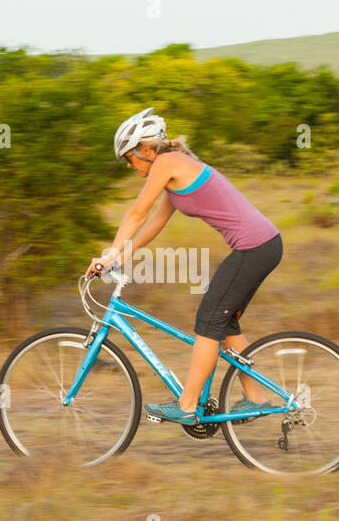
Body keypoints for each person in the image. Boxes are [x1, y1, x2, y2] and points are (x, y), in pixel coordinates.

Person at [89, 107, 283, 424]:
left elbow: (136, 213)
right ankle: (255, 398)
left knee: (209, 320)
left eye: (129, 156)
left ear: (146, 149)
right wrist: (124, 254)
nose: (128, 163)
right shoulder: (176, 166)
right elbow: (156, 221)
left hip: (254, 249)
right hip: (263, 246)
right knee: (224, 322)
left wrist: (109, 253)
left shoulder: (166, 163)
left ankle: (187, 405)